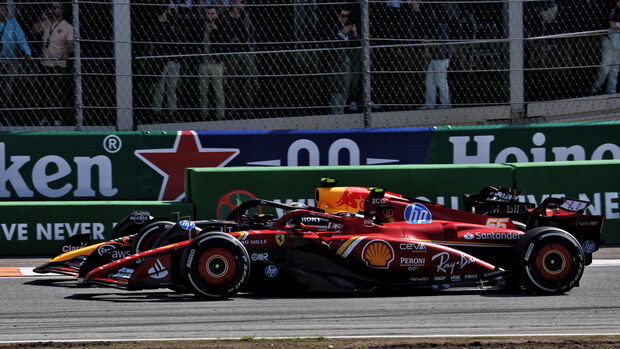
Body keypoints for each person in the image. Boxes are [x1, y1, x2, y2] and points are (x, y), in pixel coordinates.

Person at [31, 1, 74, 125]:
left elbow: (71, 44)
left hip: (58, 63)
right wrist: (42, 17)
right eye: (53, 8)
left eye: (57, 8)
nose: (54, 10)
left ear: (62, 10)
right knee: (44, 91)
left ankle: (57, 118)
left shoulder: (68, 26)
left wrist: (66, 53)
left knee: (57, 91)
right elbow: (33, 30)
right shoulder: (47, 22)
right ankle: (46, 117)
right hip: (44, 62)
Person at [220, 0, 256, 119]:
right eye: (242, 1)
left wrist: (250, 46)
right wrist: (230, 41)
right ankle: (232, 110)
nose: (244, 4)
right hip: (231, 52)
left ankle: (248, 109)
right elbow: (222, 34)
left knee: (247, 79)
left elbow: (250, 32)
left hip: (245, 50)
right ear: (234, 2)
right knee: (232, 81)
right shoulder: (225, 16)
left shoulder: (246, 15)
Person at [147, 4, 185, 120]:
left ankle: (172, 112)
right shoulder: (154, 25)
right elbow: (151, 43)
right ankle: (156, 112)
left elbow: (178, 39)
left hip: (173, 58)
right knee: (159, 88)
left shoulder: (172, 23)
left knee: (171, 88)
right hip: (160, 60)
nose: (170, 12)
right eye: (168, 10)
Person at [0, 2, 32, 126]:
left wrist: (27, 52)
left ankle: (7, 113)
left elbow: (21, 38)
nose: (1, 13)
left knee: (9, 88)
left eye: (3, 11)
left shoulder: (13, 23)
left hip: (11, 60)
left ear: (7, 12)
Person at [329, 7, 361, 115]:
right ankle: (335, 109)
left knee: (346, 84)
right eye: (343, 16)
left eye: (347, 16)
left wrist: (355, 33)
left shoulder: (349, 26)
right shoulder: (334, 25)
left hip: (347, 58)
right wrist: (341, 32)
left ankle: (341, 109)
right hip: (336, 59)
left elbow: (355, 42)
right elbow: (331, 40)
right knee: (338, 85)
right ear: (338, 16)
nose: (345, 18)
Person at [420, 5, 451, 110]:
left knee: (441, 81)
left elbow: (442, 41)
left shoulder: (443, 26)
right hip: (434, 58)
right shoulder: (436, 25)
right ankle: (430, 103)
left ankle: (445, 103)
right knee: (430, 81)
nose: (432, 14)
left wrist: (429, 42)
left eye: (434, 12)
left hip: (441, 58)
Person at [198, 6, 227, 120]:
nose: (210, 15)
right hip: (203, 63)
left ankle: (221, 114)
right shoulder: (200, 27)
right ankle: (203, 114)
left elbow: (226, 42)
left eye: (213, 13)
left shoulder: (222, 26)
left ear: (216, 14)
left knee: (218, 90)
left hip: (216, 63)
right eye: (208, 13)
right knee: (203, 91)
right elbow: (195, 40)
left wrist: (217, 30)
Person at [592, 0, 620, 95]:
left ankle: (611, 90)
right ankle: (595, 88)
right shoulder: (610, 8)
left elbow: (614, 24)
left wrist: (616, 25)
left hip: (619, 41)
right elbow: (611, 23)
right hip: (609, 39)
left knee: (615, 67)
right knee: (605, 66)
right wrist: (616, 25)